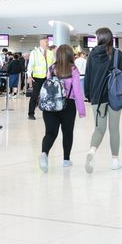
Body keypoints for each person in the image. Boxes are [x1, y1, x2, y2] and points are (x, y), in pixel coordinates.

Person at [84, 27, 122, 173]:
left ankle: (92, 151)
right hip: (114, 96)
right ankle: (115, 161)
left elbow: (88, 77)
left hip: (97, 98)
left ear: (99, 38)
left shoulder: (92, 55)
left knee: (99, 129)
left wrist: (89, 95)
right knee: (114, 129)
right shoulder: (117, 54)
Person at [39, 44, 86, 172]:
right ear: (71, 55)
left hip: (50, 105)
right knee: (67, 132)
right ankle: (66, 159)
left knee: (50, 133)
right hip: (68, 105)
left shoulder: (52, 68)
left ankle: (44, 154)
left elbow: (49, 87)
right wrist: (82, 111)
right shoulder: (73, 69)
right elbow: (77, 91)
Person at [27, 38, 55, 120]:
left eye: (47, 42)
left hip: (48, 77)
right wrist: (29, 75)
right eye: (46, 42)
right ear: (41, 43)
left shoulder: (50, 53)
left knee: (48, 96)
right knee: (35, 95)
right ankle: (31, 113)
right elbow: (30, 64)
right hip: (37, 77)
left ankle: (48, 112)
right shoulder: (34, 52)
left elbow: (53, 65)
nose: (47, 43)